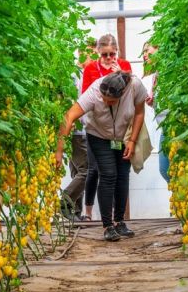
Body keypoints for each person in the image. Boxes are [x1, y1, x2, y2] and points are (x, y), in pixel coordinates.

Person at [55, 71, 147, 242]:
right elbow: (69, 117)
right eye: (104, 98)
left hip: (122, 137)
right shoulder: (94, 92)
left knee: (122, 176)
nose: (105, 102)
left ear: (122, 93)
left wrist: (132, 141)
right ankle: (107, 226)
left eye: (110, 101)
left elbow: (140, 112)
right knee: (108, 174)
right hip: (98, 136)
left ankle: (119, 221)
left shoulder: (135, 86)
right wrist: (59, 150)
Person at [81, 34, 132, 221]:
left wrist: (121, 75)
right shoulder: (90, 69)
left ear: (117, 52)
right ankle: (89, 212)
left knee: (119, 173)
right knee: (95, 169)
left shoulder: (124, 66)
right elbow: (85, 96)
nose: (109, 58)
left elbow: (131, 95)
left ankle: (116, 217)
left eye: (112, 54)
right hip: (98, 128)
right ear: (98, 52)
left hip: (119, 131)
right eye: (105, 55)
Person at [60, 39, 97, 221]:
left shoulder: (82, 74)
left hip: (80, 129)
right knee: (87, 170)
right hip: (77, 129)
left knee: (77, 170)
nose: (94, 58)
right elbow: (68, 99)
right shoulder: (75, 76)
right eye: (93, 53)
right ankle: (65, 201)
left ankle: (75, 213)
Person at [141, 42, 170, 183]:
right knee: (165, 170)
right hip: (165, 128)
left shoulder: (169, 71)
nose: (145, 55)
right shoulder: (155, 76)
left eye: (147, 51)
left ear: (159, 49)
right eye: (144, 52)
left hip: (175, 128)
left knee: (168, 170)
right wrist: (153, 103)